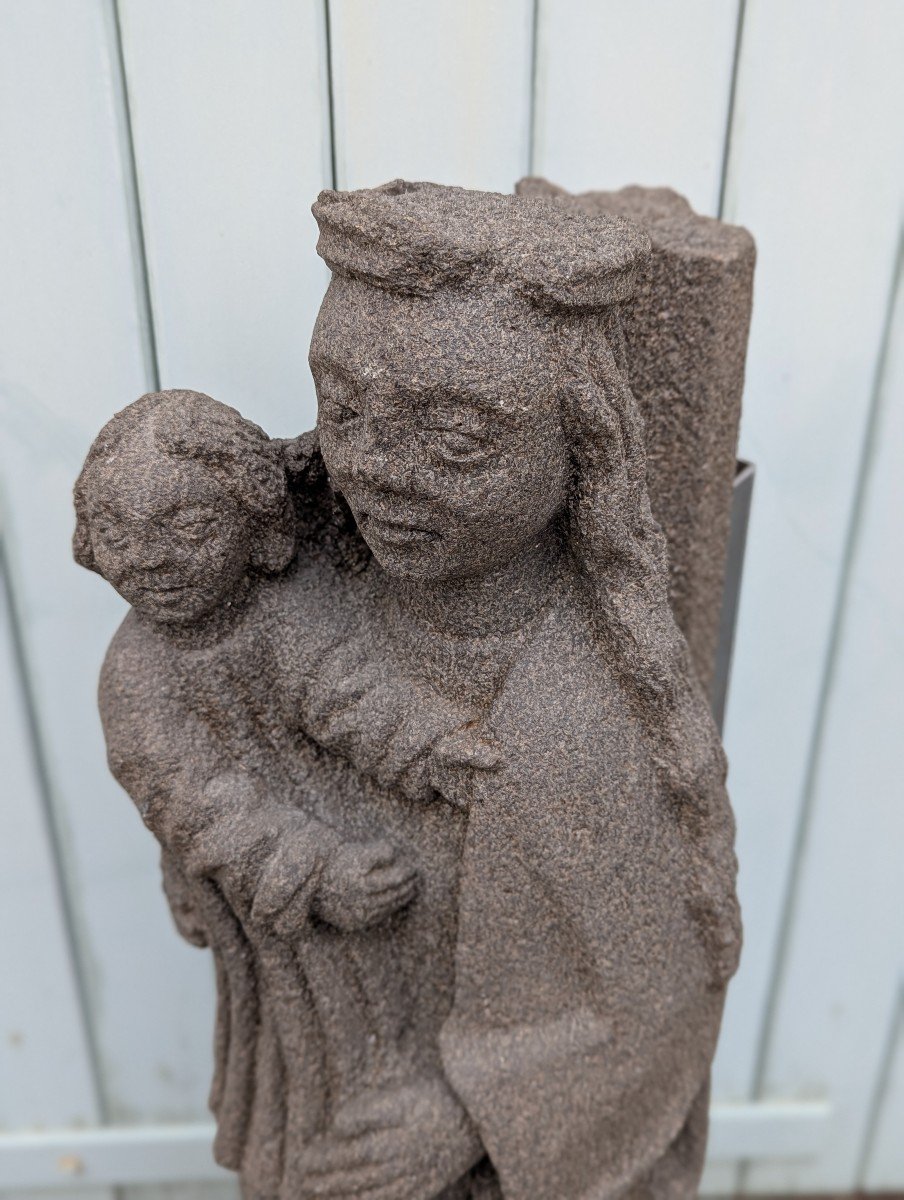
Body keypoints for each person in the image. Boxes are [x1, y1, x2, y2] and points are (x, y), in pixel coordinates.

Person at [74, 389, 497, 1198]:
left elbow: (346, 692)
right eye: (120, 535)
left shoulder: (284, 609)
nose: (151, 560)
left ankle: (432, 1133)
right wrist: (314, 872)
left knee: (400, 1001)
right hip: (275, 911)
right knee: (302, 1047)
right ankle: (307, 1162)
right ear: (90, 542)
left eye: (187, 529)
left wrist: (430, 745)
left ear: (258, 528)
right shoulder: (136, 675)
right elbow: (196, 802)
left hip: (365, 864)